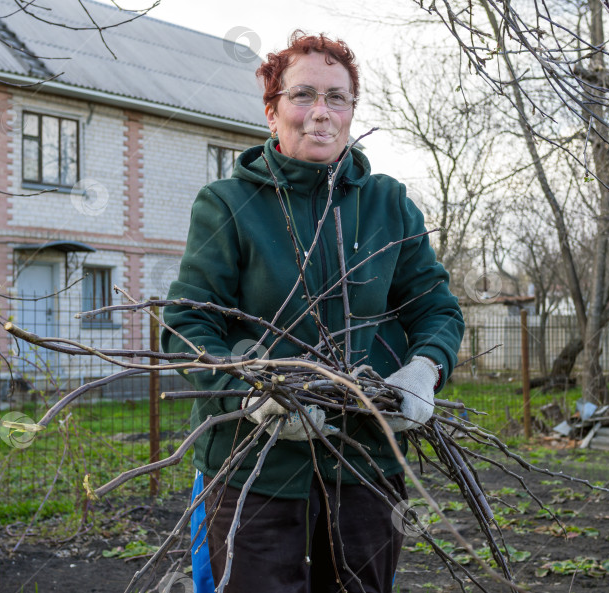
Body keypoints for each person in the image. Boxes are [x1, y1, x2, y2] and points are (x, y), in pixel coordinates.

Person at [162, 31, 464, 593]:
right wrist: (249, 393)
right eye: (303, 95)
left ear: (352, 112)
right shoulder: (228, 204)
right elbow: (187, 326)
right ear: (272, 111)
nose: (320, 113)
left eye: (337, 98)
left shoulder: (387, 204)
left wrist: (425, 369)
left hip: (365, 462)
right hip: (252, 465)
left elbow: (436, 310)